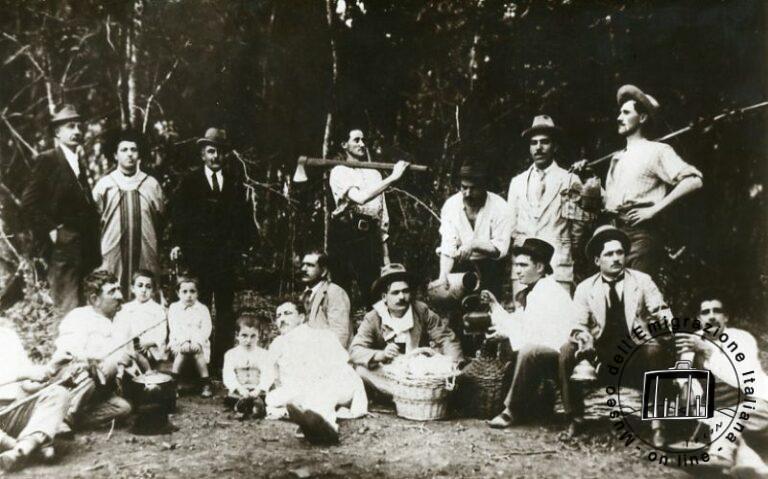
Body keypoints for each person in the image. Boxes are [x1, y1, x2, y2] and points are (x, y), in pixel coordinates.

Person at [559, 225, 674, 442]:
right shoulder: (585, 288)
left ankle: (658, 424)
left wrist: (666, 324)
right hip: (601, 356)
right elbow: (577, 324)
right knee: (566, 351)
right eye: (609, 254)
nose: (616, 258)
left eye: (620, 252)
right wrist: (583, 337)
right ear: (597, 261)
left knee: (655, 350)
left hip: (635, 352)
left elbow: (661, 309)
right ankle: (575, 417)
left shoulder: (642, 281)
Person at [574, 85, 703, 275]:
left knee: (636, 296)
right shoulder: (617, 157)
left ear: (642, 118)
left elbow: (694, 180)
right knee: (614, 297)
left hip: (641, 235)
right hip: (613, 233)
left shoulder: (658, 150)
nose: (619, 118)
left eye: (626, 113)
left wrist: (653, 210)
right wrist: (587, 178)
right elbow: (609, 202)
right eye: (619, 113)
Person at [169, 127, 253, 373]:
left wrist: (244, 248)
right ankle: (196, 362)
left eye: (220, 152)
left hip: (226, 259)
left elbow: (243, 220)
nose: (216, 156)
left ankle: (221, 363)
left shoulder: (235, 183)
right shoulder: (190, 181)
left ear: (226, 155)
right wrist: (176, 243)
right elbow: (178, 216)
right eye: (211, 151)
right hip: (198, 257)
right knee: (198, 309)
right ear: (203, 154)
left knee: (225, 311)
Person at [484, 238, 576, 428]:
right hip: (545, 347)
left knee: (528, 351)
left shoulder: (549, 292)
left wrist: (506, 334)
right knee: (526, 349)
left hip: (560, 353)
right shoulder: (534, 291)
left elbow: (535, 334)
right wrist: (494, 305)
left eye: (523, 265)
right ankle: (514, 405)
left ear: (540, 267)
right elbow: (520, 323)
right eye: (516, 265)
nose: (517, 270)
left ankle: (511, 411)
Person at [676, 293, 768, 476]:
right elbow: (685, 376)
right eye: (705, 312)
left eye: (717, 311)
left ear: (726, 317)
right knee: (729, 427)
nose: (711, 316)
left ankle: (721, 457)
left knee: (729, 418)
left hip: (759, 407)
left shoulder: (742, 339)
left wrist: (709, 352)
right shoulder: (693, 340)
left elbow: (744, 379)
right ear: (699, 318)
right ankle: (751, 468)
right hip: (724, 416)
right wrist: (687, 385)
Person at [21, 104, 101, 314]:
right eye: (70, 127)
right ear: (57, 132)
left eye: (79, 126)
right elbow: (29, 203)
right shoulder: (48, 160)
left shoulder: (76, 161)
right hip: (63, 249)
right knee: (68, 310)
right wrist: (53, 230)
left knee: (83, 310)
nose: (77, 131)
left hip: (84, 248)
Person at [349, 264, 464, 399]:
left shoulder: (422, 311)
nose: (402, 297)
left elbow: (446, 338)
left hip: (420, 371)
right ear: (384, 297)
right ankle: (408, 394)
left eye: (405, 291)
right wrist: (381, 354)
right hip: (390, 373)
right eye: (395, 293)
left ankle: (418, 392)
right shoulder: (373, 318)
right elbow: (355, 350)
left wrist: (454, 366)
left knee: (447, 366)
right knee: (361, 370)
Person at [265, 300, 367, 445]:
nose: (282, 319)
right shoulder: (277, 344)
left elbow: (341, 365)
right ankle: (311, 422)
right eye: (278, 315)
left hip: (335, 385)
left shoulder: (322, 336)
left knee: (322, 390)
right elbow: (271, 375)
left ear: (301, 317)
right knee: (273, 398)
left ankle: (327, 429)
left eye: (287, 313)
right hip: (300, 389)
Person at [328, 128, 410, 305]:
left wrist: (386, 256)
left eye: (363, 140)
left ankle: (376, 331)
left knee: (373, 291)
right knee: (341, 295)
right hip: (345, 234)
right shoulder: (339, 172)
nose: (362, 144)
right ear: (344, 145)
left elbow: (382, 217)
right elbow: (360, 198)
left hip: (369, 237)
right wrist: (393, 178)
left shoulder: (375, 174)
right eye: (356, 140)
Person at [507, 115, 587, 293]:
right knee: (523, 317)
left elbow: (577, 229)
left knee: (557, 318)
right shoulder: (517, 182)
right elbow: (511, 225)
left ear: (555, 146)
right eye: (534, 143)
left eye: (545, 142)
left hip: (557, 266)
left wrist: (563, 249)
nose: (539, 148)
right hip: (523, 270)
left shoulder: (570, 179)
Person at [54, 270, 134, 432]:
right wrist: (92, 359)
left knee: (124, 408)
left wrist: (126, 361)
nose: (119, 296)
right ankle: (66, 415)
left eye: (118, 289)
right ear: (94, 299)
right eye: (112, 292)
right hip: (76, 381)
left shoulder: (124, 320)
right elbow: (68, 351)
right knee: (92, 372)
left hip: (104, 388)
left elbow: (129, 354)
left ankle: (70, 421)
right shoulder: (78, 317)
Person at [92, 130, 166, 298]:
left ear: (139, 154)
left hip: (145, 249)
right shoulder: (105, 185)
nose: (130, 154)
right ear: (115, 155)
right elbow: (94, 220)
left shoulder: (151, 184)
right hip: (112, 251)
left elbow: (160, 219)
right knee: (111, 289)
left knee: (145, 288)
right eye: (124, 150)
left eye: (134, 150)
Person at [0, 320, 72, 471]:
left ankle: (22, 450)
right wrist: (22, 375)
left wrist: (51, 371)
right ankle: (25, 446)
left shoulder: (8, 335)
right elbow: (23, 374)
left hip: (15, 410)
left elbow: (28, 384)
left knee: (58, 393)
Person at [437, 162, 513, 298]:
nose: (467, 193)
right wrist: (443, 278)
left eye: (473, 188)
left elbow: (500, 250)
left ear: (484, 187)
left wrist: (473, 244)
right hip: (460, 264)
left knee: (489, 311)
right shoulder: (451, 206)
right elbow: (448, 246)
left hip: (491, 266)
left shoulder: (500, 207)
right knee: (458, 311)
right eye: (464, 187)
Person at [167, 275, 213, 398]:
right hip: (178, 341)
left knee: (198, 352)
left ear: (198, 293)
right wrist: (183, 342)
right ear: (178, 293)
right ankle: (174, 383)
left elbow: (206, 329)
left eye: (192, 291)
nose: (189, 295)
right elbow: (174, 328)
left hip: (198, 342)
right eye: (184, 291)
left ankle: (205, 383)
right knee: (182, 352)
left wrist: (197, 342)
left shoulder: (202, 309)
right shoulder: (174, 308)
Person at [113, 269, 167, 372]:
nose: (143, 290)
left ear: (153, 290)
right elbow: (120, 330)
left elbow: (162, 333)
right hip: (130, 346)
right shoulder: (125, 308)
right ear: (133, 288)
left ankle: (148, 371)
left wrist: (150, 343)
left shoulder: (157, 309)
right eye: (140, 285)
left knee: (136, 354)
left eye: (148, 287)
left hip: (150, 348)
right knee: (125, 352)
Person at [222, 313, 272, 419]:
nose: (248, 340)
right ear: (237, 335)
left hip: (258, 390)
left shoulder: (264, 354)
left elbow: (268, 375)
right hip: (240, 391)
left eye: (253, 336)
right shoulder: (231, 354)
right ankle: (244, 406)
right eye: (244, 335)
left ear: (259, 335)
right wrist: (240, 389)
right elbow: (228, 376)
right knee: (231, 397)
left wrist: (258, 390)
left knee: (267, 397)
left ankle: (255, 407)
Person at [299, 251, 352, 347]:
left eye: (310, 265)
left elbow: (340, 335)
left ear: (323, 271)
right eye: (303, 265)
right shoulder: (304, 296)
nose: (303, 269)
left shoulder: (334, 292)